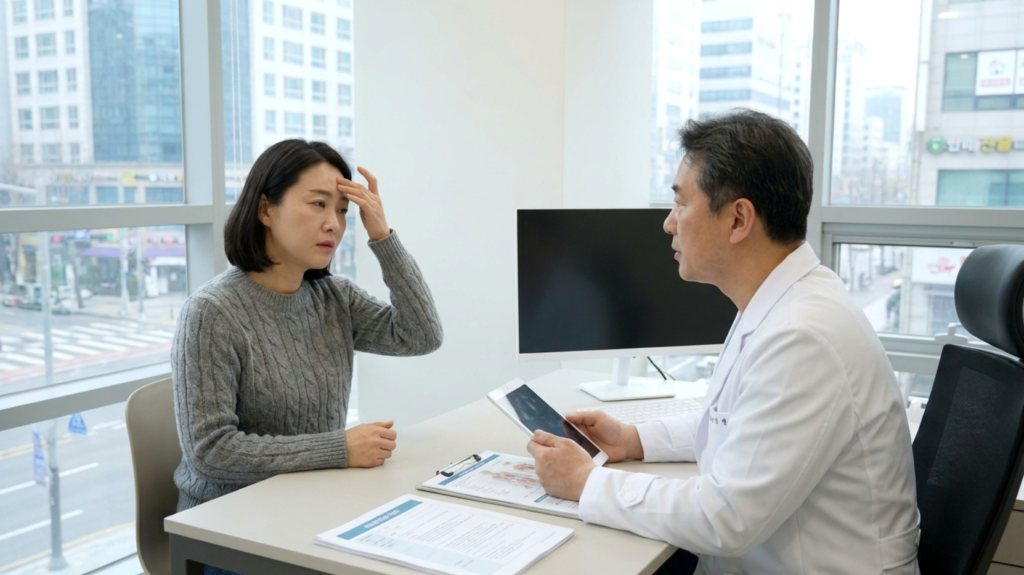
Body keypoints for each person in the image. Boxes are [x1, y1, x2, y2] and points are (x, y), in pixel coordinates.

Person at [527, 111, 919, 574]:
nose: (669, 224)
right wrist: (633, 439)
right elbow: (733, 420)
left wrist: (586, 483)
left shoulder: (803, 335)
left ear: (738, 219)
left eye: (681, 204)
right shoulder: (779, 300)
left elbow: (726, 517)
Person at [171, 139, 443, 517]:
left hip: (316, 504)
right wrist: (339, 449)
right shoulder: (211, 312)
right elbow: (210, 452)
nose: (334, 223)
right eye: (318, 204)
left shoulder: (335, 297)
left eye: (344, 210)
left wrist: (382, 236)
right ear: (266, 209)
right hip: (227, 522)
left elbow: (421, 336)